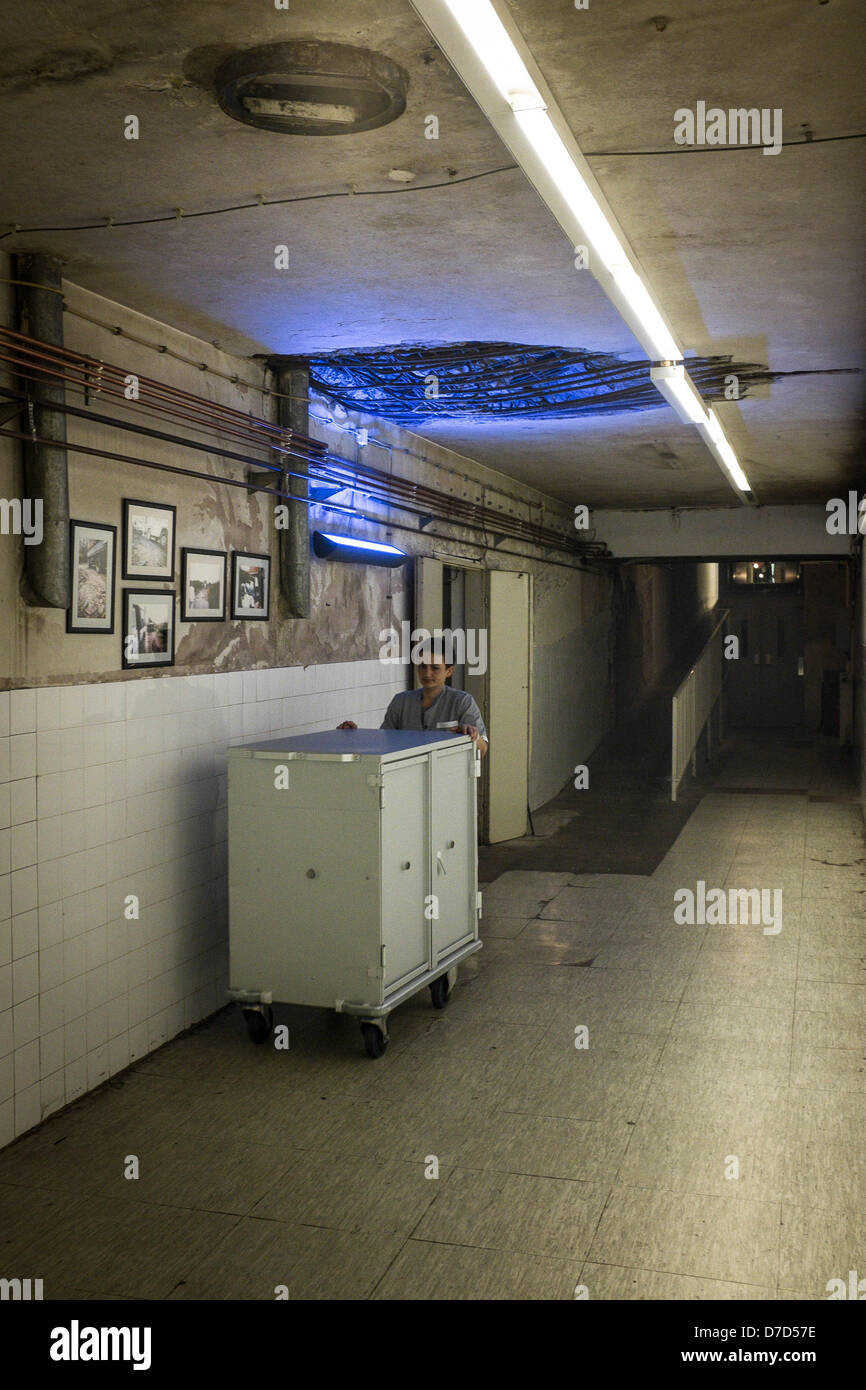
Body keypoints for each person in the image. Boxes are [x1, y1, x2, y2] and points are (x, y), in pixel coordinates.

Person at [338, 643, 489, 757]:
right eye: (422, 666)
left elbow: (482, 750)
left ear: (449, 671)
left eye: (435, 668)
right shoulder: (401, 701)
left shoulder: (462, 701)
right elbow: (384, 743)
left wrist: (472, 736)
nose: (427, 673)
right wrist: (355, 736)